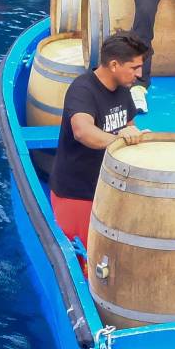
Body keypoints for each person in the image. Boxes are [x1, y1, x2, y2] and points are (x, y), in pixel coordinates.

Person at [49, 32, 151, 246]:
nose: (140, 74)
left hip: (109, 188)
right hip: (76, 193)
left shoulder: (124, 89)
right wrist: (119, 139)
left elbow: (129, 126)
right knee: (83, 258)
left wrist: (138, 138)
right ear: (114, 65)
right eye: (134, 68)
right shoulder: (82, 89)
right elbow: (82, 131)